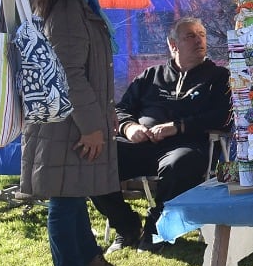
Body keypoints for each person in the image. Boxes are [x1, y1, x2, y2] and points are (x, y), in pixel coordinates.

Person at [21, 0, 127, 266]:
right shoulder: (67, 8)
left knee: (74, 190)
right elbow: (69, 73)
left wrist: (103, 114)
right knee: (64, 199)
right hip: (67, 122)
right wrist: (91, 126)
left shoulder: (76, 1)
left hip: (74, 118)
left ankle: (90, 261)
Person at [87, 17, 231, 250]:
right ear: (173, 45)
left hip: (185, 145)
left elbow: (224, 117)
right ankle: (127, 226)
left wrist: (178, 126)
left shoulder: (218, 77)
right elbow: (121, 109)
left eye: (202, 35)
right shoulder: (150, 76)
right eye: (190, 36)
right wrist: (130, 128)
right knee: (95, 156)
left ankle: (156, 229)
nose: (199, 40)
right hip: (141, 145)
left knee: (181, 163)